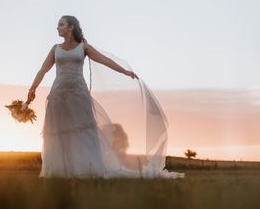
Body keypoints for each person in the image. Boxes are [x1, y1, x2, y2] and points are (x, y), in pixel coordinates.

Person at [27, 15, 184, 179]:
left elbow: (105, 61)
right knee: (58, 132)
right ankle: (60, 171)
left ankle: (86, 169)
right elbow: (42, 70)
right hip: (58, 95)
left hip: (78, 94)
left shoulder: (83, 47)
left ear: (71, 27)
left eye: (61, 24)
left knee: (83, 132)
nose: (57, 27)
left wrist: (125, 71)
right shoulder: (55, 48)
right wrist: (33, 88)